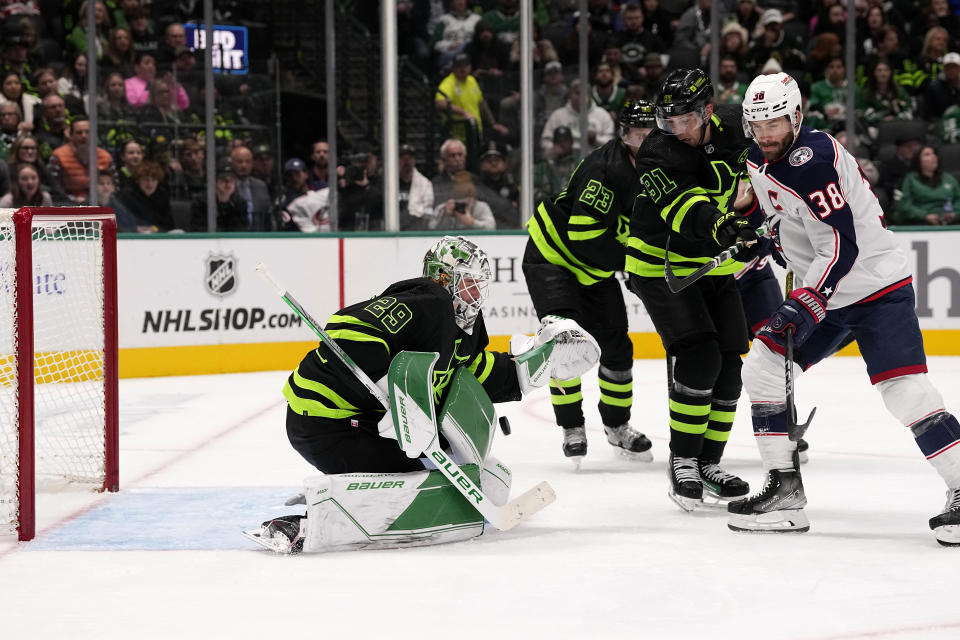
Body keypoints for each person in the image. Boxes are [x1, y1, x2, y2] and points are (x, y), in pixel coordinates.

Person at [244, 236, 599, 553]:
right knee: (412, 475)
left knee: (449, 462)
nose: (476, 297)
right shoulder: (426, 302)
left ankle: (356, 495)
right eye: (469, 286)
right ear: (445, 279)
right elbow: (348, 329)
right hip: (324, 419)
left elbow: (472, 373)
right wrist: (388, 386)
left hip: (364, 422)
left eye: (480, 287)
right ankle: (302, 524)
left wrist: (527, 371)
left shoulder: (466, 329)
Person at [729, 71, 960, 546]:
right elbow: (778, 212)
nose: (766, 135)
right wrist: (754, 229)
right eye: (758, 126)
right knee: (762, 368)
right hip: (829, 289)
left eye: (775, 124)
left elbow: (840, 243)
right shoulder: (756, 157)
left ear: (795, 117)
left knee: (906, 392)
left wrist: (808, 299)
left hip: (874, 287)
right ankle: (786, 494)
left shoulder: (812, 159)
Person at [625, 69, 758, 511]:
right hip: (660, 264)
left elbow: (766, 170)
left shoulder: (737, 129)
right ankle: (682, 459)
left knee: (731, 365)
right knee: (700, 355)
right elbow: (685, 209)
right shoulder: (656, 154)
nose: (674, 131)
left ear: (708, 111)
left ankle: (708, 463)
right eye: (668, 122)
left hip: (709, 261)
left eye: (683, 120)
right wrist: (726, 227)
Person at [524, 101, 657, 465]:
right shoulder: (605, 169)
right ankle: (572, 428)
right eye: (636, 136)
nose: (643, 143)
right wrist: (635, 261)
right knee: (565, 344)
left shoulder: (662, 166)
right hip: (553, 257)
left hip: (594, 269)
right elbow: (585, 236)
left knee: (618, 348)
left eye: (650, 135)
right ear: (623, 135)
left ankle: (617, 426)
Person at [46, 116, 118, 203]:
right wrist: (74, 199)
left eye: (87, 132)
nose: (84, 136)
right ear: (71, 135)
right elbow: (53, 189)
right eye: (79, 133)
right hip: (70, 206)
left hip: (101, 204)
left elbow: (115, 187)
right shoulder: (58, 156)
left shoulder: (106, 157)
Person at [895, 144, 960, 225]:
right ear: (919, 161)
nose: (933, 156)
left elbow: (958, 199)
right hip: (920, 222)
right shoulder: (910, 179)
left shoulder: (949, 178)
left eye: (934, 154)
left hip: (950, 222)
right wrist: (924, 216)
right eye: (927, 154)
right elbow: (904, 205)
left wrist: (954, 214)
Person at [398, 143, 434, 231]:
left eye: (409, 158)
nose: (406, 161)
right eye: (403, 158)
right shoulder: (388, 182)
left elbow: (428, 213)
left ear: (414, 160)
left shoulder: (425, 184)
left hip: (416, 229)